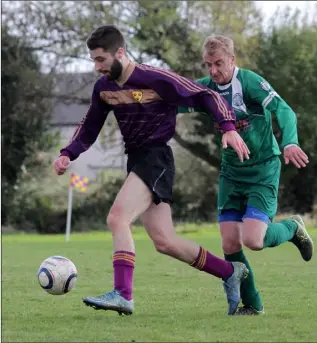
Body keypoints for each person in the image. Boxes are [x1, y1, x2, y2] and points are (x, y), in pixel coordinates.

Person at [54, 25, 251, 316]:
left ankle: (123, 294)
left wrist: (229, 128)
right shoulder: (104, 88)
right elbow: (90, 126)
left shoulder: (155, 78)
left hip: (156, 158)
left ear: (120, 53)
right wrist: (67, 153)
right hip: (136, 159)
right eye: (94, 60)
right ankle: (229, 271)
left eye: (101, 60)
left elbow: (205, 95)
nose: (96, 67)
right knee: (164, 241)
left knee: (117, 218)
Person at [178, 35, 313, 315]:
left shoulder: (250, 82)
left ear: (232, 60)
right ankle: (253, 305)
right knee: (229, 243)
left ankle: (292, 228)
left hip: (263, 169)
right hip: (231, 173)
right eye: (208, 65)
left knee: (254, 241)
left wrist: (289, 141)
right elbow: (171, 99)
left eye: (218, 64)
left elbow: (284, 110)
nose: (213, 71)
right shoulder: (206, 89)